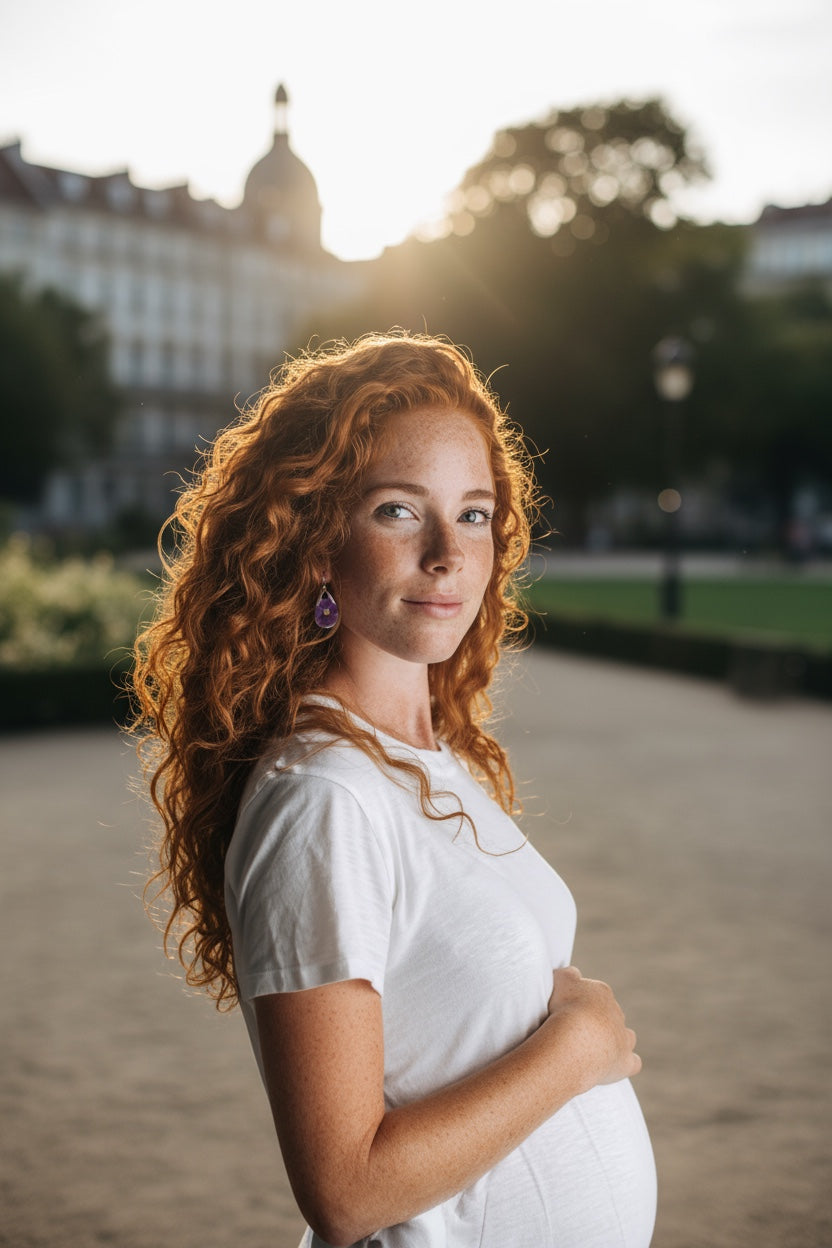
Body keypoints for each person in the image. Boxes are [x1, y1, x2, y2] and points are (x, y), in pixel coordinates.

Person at [133, 333, 656, 1248]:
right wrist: (574, 1053)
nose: (450, 553)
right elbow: (343, 1190)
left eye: (476, 514)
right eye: (399, 512)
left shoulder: (426, 756)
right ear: (319, 545)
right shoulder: (323, 798)